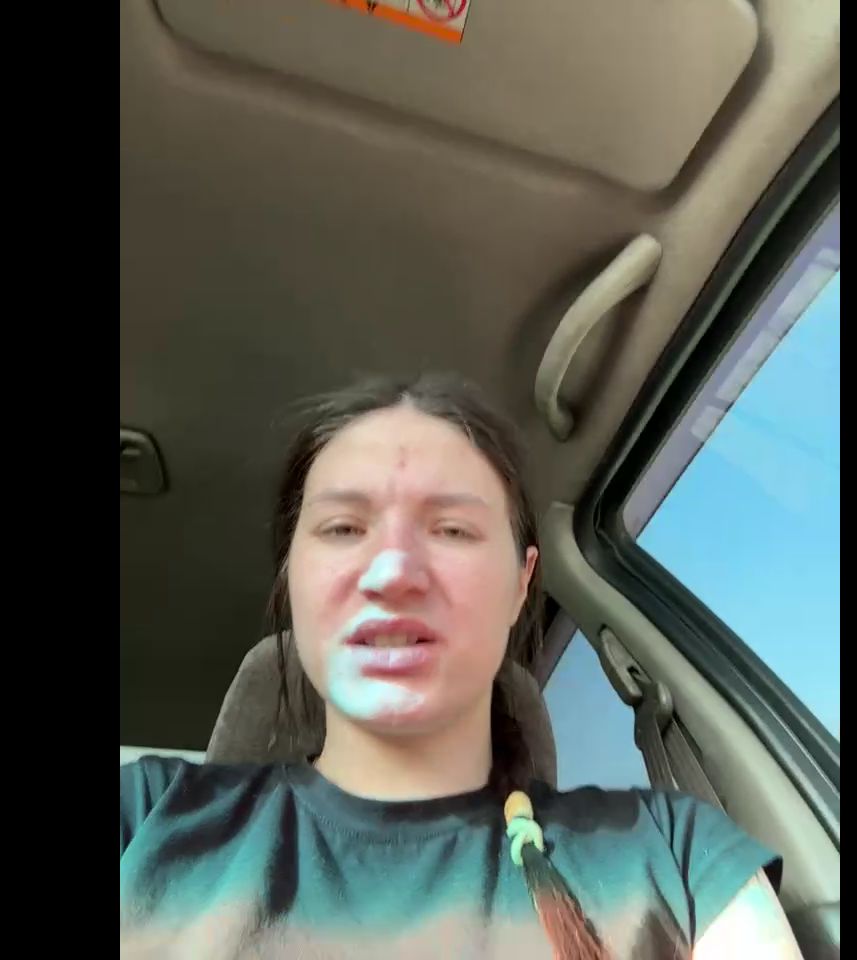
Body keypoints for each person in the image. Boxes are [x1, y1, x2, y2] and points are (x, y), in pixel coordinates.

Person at [120, 373, 802, 959]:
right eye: (343, 528)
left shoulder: (676, 856)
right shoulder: (145, 817)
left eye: (451, 530)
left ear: (520, 584)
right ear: (291, 574)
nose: (393, 571)